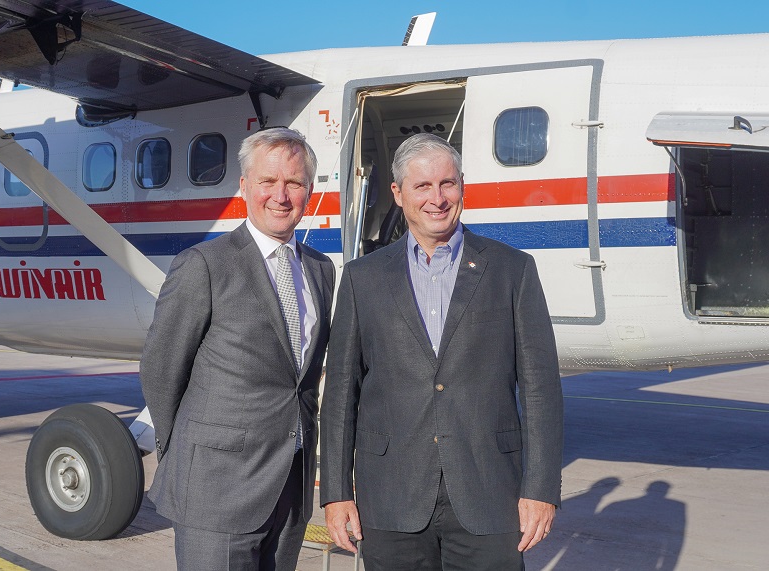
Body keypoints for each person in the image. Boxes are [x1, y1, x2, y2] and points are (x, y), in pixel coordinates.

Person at [320, 133, 563, 570]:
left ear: (463, 186)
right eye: (422, 186)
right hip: (392, 498)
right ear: (397, 194)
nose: (437, 198)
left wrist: (541, 488)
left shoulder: (512, 270)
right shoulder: (363, 278)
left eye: (447, 184)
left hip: (489, 495)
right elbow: (340, 396)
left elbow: (542, 390)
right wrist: (336, 493)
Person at [140, 128, 335, 571]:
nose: (281, 196)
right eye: (268, 181)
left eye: (295, 183)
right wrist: (191, 454)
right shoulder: (204, 265)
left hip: (290, 486)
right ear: (245, 186)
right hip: (216, 487)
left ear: (309, 191)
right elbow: (160, 368)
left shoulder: (321, 271)